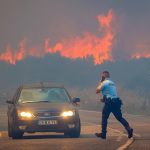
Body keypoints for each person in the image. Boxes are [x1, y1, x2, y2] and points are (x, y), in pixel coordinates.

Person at [95, 71, 133, 139]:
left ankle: (103, 134)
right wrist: (104, 99)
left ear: (103, 77)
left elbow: (97, 91)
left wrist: (100, 81)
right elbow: (109, 93)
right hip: (116, 102)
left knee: (104, 117)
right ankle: (129, 129)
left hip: (109, 103)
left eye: (102, 76)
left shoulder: (104, 83)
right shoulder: (112, 83)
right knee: (119, 117)